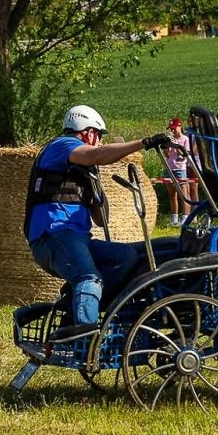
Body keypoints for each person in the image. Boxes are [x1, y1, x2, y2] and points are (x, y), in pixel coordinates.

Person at [25, 104, 172, 343]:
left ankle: (77, 308)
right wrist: (142, 143)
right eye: (98, 136)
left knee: (123, 256)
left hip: (77, 238)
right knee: (88, 277)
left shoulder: (84, 168)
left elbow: (100, 219)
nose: (99, 142)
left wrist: (95, 189)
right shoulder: (62, 145)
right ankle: (84, 335)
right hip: (53, 235)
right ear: (88, 131)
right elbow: (95, 154)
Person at [162, 117, 195, 226]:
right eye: (171, 129)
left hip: (180, 169)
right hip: (169, 168)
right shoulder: (170, 139)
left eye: (174, 128)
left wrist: (176, 146)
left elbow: (184, 154)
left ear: (180, 127)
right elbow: (167, 155)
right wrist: (167, 145)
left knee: (184, 194)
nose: (172, 131)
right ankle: (174, 218)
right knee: (172, 195)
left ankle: (185, 217)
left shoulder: (185, 139)